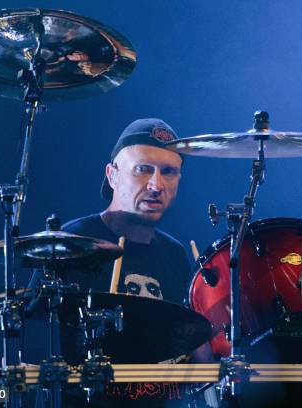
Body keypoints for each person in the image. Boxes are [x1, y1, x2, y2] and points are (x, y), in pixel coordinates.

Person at [28, 118, 193, 407]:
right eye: (143, 169)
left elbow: (192, 344)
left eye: (169, 172)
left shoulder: (175, 254)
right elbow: (34, 334)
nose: (156, 184)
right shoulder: (71, 241)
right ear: (112, 175)